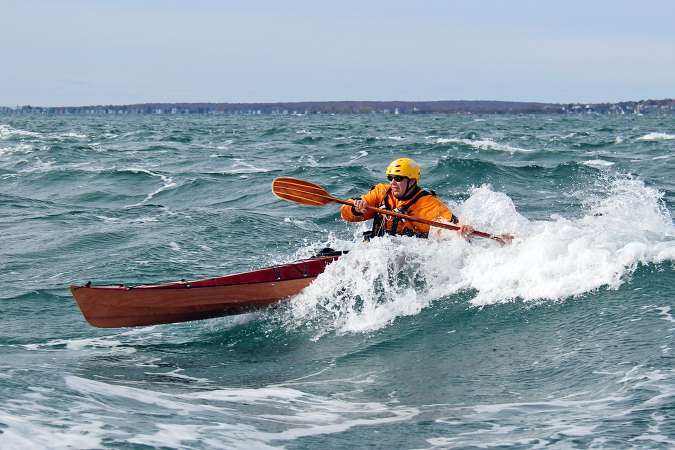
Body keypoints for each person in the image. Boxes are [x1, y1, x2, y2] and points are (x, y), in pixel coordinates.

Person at [340, 157, 475, 239]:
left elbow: (450, 225)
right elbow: (346, 213)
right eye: (390, 178)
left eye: (398, 179)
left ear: (411, 182)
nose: (392, 183)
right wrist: (356, 209)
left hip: (407, 252)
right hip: (376, 248)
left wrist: (461, 228)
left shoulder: (427, 203)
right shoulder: (382, 192)